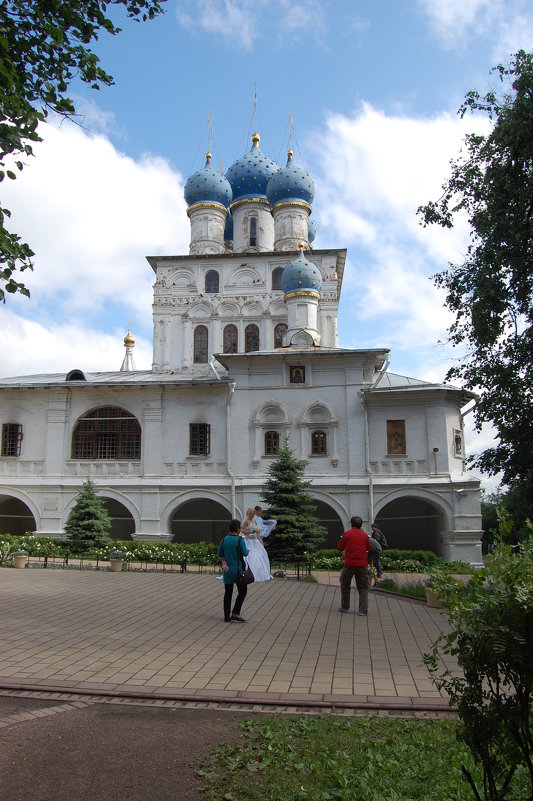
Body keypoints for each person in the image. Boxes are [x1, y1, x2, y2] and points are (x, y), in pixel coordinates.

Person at [217, 519, 249, 622]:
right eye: (239, 527)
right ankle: (235, 613)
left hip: (227, 570)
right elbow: (245, 553)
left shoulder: (224, 539)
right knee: (243, 591)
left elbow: (219, 554)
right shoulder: (240, 540)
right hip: (238, 570)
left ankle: (226, 616)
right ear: (237, 528)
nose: (240, 529)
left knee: (228, 592)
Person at [337, 515, 371, 615]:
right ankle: (363, 610)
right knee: (363, 587)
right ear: (361, 525)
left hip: (349, 564)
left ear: (351, 524)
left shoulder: (347, 534)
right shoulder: (364, 535)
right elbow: (368, 547)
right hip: (362, 564)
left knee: (345, 584)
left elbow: (340, 547)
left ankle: (345, 606)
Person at [241, 507, 273, 581]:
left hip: (255, 540)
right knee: (252, 556)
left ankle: (261, 572)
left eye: (254, 514)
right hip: (249, 541)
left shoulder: (254, 520)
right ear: (249, 513)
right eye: (252, 514)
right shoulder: (246, 521)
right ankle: (249, 572)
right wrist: (249, 532)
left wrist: (257, 531)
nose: (253, 515)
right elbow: (242, 530)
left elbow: (255, 529)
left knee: (260, 555)